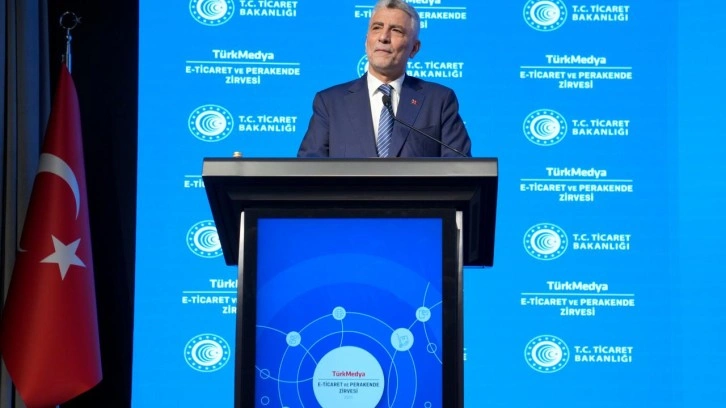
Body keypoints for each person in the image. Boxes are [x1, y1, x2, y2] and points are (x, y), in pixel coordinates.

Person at [297, 0, 472, 158]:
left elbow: (459, 166)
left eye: (396, 30)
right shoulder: (330, 103)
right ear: (366, 41)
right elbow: (309, 169)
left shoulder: (439, 101)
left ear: (414, 48)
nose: (383, 37)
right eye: (377, 28)